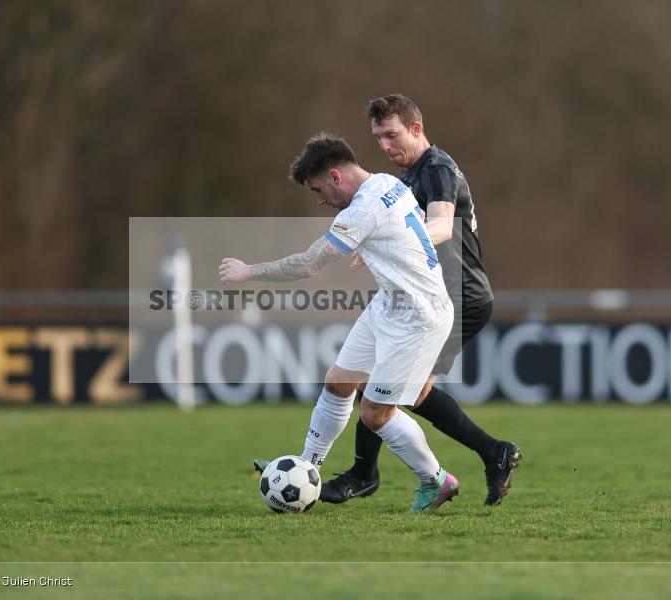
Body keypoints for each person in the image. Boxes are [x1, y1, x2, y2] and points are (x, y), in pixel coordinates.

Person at [222, 133, 460, 511]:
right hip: (390, 304)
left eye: (318, 190)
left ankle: (436, 480)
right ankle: (307, 470)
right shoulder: (387, 182)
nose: (319, 200)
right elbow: (403, 231)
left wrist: (249, 272)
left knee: (375, 415)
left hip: (419, 317)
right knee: (338, 382)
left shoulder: (361, 211)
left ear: (335, 176)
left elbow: (309, 264)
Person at [320, 94, 521, 506]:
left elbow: (443, 227)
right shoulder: (407, 177)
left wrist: (395, 244)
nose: (384, 146)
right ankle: (494, 452)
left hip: (458, 297)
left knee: (382, 388)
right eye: (377, 138)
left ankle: (364, 474)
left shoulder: (436, 169)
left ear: (416, 129)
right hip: (430, 297)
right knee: (393, 388)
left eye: (391, 135)